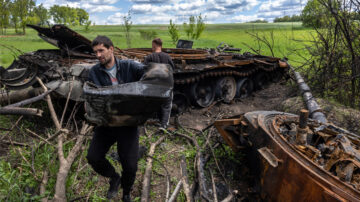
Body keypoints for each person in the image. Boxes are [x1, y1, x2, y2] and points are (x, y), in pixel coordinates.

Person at [86, 35, 144, 201]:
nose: (98, 55)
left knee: (130, 166)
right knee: (93, 157)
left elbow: (147, 71)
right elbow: (91, 94)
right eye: (95, 52)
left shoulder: (128, 66)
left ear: (111, 49)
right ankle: (114, 177)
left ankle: (126, 193)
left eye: (101, 51)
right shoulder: (94, 72)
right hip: (107, 124)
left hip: (128, 124)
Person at [144, 38, 174, 129]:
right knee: (166, 105)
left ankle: (154, 119)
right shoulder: (167, 57)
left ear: (154, 45)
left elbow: (143, 70)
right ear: (161, 45)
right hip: (166, 85)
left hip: (153, 85)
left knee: (156, 102)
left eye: (152, 45)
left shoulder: (149, 57)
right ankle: (164, 125)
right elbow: (172, 68)